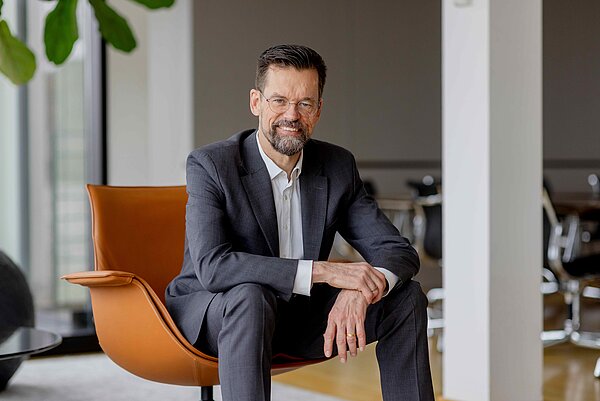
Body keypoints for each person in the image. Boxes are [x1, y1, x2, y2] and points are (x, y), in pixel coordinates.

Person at [165, 44, 434, 401]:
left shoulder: (336, 166)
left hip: (298, 317)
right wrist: (324, 272)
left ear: (319, 110)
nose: (291, 115)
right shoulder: (212, 165)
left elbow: (395, 250)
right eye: (279, 101)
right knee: (251, 296)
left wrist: (360, 289)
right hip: (218, 313)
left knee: (405, 296)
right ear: (256, 102)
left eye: (305, 104)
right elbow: (214, 267)